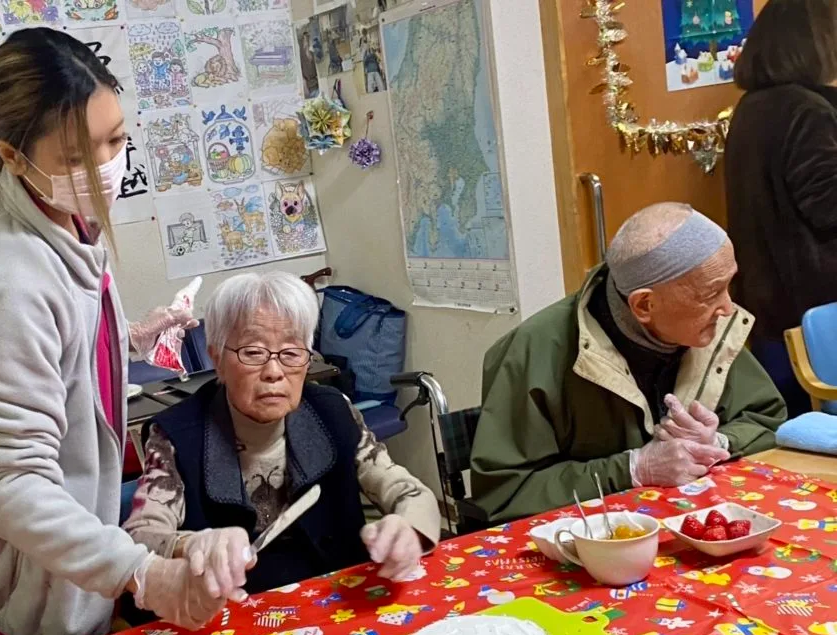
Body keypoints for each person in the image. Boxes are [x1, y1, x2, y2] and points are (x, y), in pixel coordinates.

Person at [0, 29, 222, 635]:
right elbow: (7, 481)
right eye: (82, 154)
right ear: (11, 154)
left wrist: (122, 337)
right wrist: (142, 573)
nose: (108, 164)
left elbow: (53, 352)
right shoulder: (9, 278)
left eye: (116, 139)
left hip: (70, 579)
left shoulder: (63, 218)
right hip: (29, 606)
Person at [125, 272, 441, 600]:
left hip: (337, 601)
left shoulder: (333, 412)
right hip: (229, 611)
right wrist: (188, 545)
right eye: (253, 352)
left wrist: (408, 530)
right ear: (217, 357)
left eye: (291, 353)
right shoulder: (176, 434)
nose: (275, 371)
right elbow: (141, 536)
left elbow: (410, 494)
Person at [471, 203, 786, 523]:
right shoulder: (534, 353)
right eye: (712, 293)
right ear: (645, 305)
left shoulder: (707, 330)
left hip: (694, 533)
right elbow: (505, 494)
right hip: (592, 548)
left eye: (728, 284)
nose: (728, 308)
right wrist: (634, 468)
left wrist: (718, 443)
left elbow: (768, 419)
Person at [725, 0, 837, 416]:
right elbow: (828, 208)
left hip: (773, 307)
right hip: (815, 312)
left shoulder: (755, 106)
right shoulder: (807, 111)